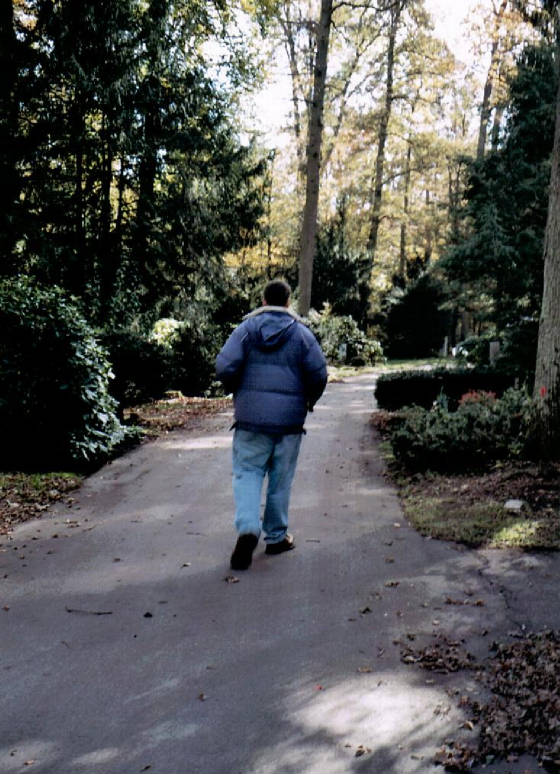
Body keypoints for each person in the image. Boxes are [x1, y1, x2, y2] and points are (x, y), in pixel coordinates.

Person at [216, 279, 328, 571]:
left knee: (248, 473)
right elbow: (319, 374)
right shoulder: (303, 335)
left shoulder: (245, 331)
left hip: (251, 420)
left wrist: (237, 390)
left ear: (263, 301)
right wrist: (308, 401)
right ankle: (277, 537)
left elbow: (224, 366)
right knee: (281, 480)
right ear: (288, 302)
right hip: (289, 422)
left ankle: (248, 528)